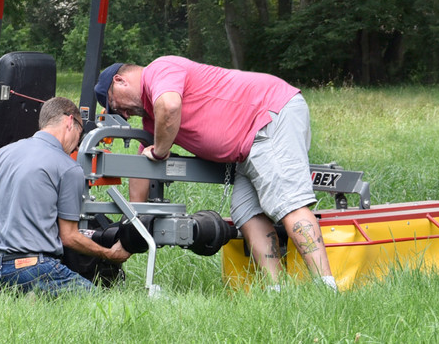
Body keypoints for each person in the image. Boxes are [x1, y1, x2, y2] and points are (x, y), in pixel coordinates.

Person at [95, 56, 336, 290]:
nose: (124, 115)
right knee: (247, 213)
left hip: (268, 115)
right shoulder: (152, 122)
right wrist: (131, 230)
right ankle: (277, 290)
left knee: (288, 203)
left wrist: (159, 151)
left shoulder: (160, 69)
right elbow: (141, 171)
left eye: (115, 105)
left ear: (120, 81)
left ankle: (326, 288)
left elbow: (169, 106)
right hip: (248, 145)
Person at [0, 97, 131, 295]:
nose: (76, 146)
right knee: (102, 305)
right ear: (69, 122)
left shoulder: (1, 155)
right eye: (80, 133)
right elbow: (69, 237)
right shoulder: (67, 167)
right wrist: (109, 254)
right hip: (36, 269)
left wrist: (16, 209)